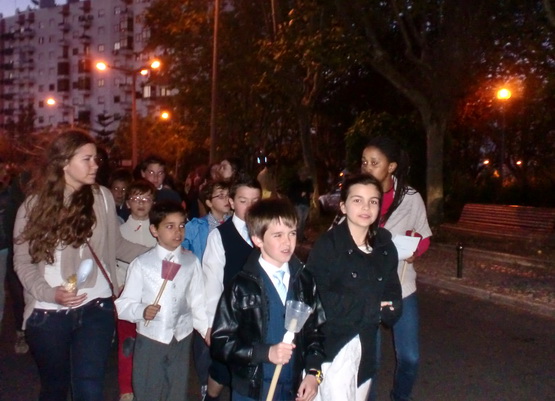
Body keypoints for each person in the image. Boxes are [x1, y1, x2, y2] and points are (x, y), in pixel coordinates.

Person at [13, 130, 146, 401]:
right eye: (87, 159)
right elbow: (23, 260)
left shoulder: (103, 198)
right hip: (49, 312)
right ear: (64, 162)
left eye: (96, 159)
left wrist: (162, 253)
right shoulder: (34, 206)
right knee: (55, 388)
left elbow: (117, 246)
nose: (95, 165)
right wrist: (50, 293)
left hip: (97, 306)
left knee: (90, 388)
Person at [211, 197, 326, 401]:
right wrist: (264, 353)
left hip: (291, 387)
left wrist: (313, 372)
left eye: (292, 233)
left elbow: (316, 330)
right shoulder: (241, 286)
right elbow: (221, 342)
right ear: (257, 239)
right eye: (278, 235)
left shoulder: (304, 280)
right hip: (252, 390)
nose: (287, 242)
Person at [307, 174, 402, 401]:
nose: (366, 207)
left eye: (373, 201)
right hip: (332, 347)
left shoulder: (385, 247)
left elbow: (392, 293)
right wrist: (372, 307)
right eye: (357, 200)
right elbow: (317, 299)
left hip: (366, 347)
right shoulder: (328, 246)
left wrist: (391, 309)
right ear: (343, 206)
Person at [361, 136, 432, 401]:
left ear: (391, 167)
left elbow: (424, 235)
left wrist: (416, 251)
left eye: (374, 163)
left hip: (401, 286)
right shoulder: (357, 195)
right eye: (364, 162)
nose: (367, 167)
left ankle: (400, 397)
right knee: (370, 361)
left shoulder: (410, 198)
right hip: (365, 290)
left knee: (410, 357)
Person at [115, 200, 208, 401]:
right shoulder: (142, 264)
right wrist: (142, 310)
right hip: (152, 338)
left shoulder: (191, 262)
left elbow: (197, 301)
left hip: (182, 336)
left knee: (176, 390)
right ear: (154, 230)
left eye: (181, 225)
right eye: (169, 226)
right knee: (148, 389)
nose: (178, 232)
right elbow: (123, 305)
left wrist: (205, 330)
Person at [203, 176, 262, 401]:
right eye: (243, 201)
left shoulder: (267, 233)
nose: (250, 207)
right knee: (221, 373)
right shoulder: (220, 236)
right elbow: (212, 283)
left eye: (255, 201)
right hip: (231, 318)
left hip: (259, 317)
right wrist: (213, 324)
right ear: (231, 201)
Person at [182, 180, 231, 397]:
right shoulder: (196, 227)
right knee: (205, 336)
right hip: (202, 289)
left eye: (228, 195)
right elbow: (183, 254)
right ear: (209, 202)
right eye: (221, 196)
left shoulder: (237, 225)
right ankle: (205, 381)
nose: (226, 200)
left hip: (229, 288)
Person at [116, 179, 158, 401]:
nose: (141, 203)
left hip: (153, 294)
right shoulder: (120, 231)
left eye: (146, 199)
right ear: (127, 203)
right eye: (136, 199)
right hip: (127, 294)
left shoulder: (158, 230)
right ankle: (126, 388)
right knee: (128, 342)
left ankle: (149, 384)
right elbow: (114, 264)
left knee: (152, 342)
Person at [288, 166, 313, 242]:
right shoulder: (295, 183)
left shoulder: (308, 182)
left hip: (306, 204)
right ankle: (298, 236)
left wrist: (309, 195)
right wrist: (299, 195)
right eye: (303, 174)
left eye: (305, 174)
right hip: (298, 204)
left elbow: (311, 191)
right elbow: (290, 194)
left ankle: (301, 236)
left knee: (303, 221)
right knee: (300, 220)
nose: (304, 176)